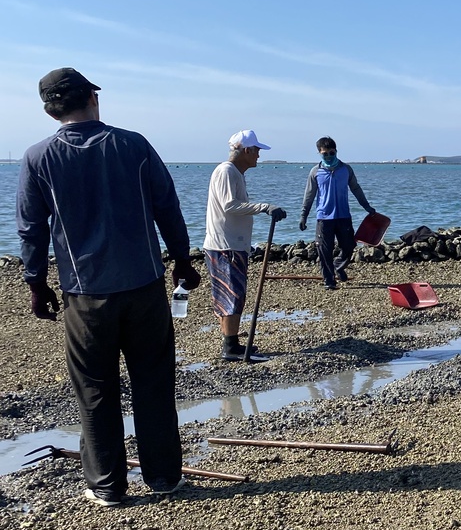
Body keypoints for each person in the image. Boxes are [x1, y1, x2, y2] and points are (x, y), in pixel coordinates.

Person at [16, 68, 200, 506]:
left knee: (95, 389)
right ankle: (163, 477)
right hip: (144, 286)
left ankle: (107, 486)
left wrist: (36, 283)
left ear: (48, 109)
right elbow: (167, 206)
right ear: (94, 99)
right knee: (153, 382)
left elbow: (30, 229)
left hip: (84, 294)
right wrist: (182, 260)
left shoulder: (38, 156)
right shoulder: (133, 145)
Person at [204, 130, 286, 360]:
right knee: (232, 295)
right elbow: (230, 206)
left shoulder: (234, 173)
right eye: (257, 151)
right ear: (246, 150)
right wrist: (264, 207)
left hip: (230, 244)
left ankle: (232, 343)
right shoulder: (227, 171)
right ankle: (230, 348)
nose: (259, 156)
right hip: (225, 245)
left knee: (231, 294)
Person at [298, 136, 376, 289]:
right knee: (324, 251)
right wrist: (303, 216)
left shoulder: (346, 169)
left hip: (343, 216)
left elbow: (356, 189)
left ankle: (338, 266)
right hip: (324, 217)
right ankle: (329, 281)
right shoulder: (316, 172)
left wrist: (367, 207)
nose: (328, 156)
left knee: (349, 246)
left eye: (331, 153)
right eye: (324, 154)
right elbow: (309, 194)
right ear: (320, 154)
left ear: (336, 152)